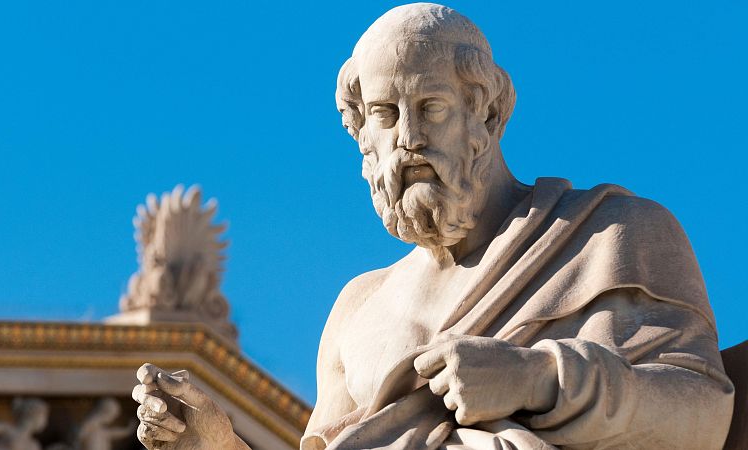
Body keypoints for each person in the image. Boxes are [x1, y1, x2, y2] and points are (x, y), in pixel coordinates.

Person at [133, 4, 734, 449]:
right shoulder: (356, 311)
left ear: (489, 113)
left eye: (431, 107)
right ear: (361, 134)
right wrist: (218, 444)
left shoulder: (612, 236)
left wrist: (537, 378)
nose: (408, 139)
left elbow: (704, 414)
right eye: (385, 115)